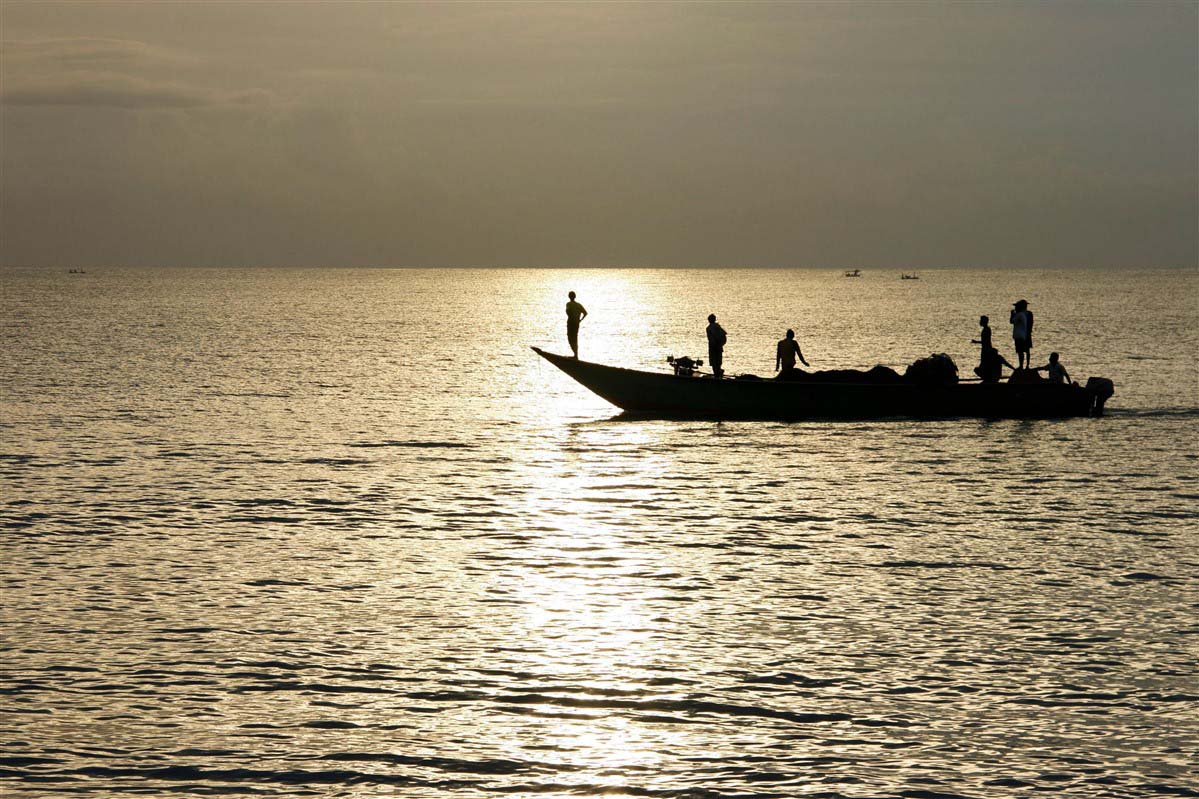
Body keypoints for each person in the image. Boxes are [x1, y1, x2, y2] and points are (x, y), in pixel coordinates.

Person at [1010, 299, 1034, 369]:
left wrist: (1012, 315)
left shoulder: (1022, 314)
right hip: (1025, 333)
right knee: (1026, 350)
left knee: (1023, 350)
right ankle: (1025, 365)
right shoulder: (1027, 314)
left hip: (1025, 333)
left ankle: (1025, 365)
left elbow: (1012, 321)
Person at [565, 291, 587, 358]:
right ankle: (576, 355)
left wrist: (571, 315)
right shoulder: (578, 305)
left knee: (570, 338)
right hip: (576, 323)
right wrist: (580, 320)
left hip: (571, 322)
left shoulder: (568, 304)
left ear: (569, 297)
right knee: (575, 338)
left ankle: (575, 354)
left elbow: (568, 312)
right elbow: (585, 313)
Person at [706, 314, 727, 379]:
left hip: (713, 347)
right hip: (718, 347)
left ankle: (717, 375)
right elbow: (724, 333)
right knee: (718, 362)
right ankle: (718, 373)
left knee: (714, 363)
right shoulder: (717, 326)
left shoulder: (709, 328)